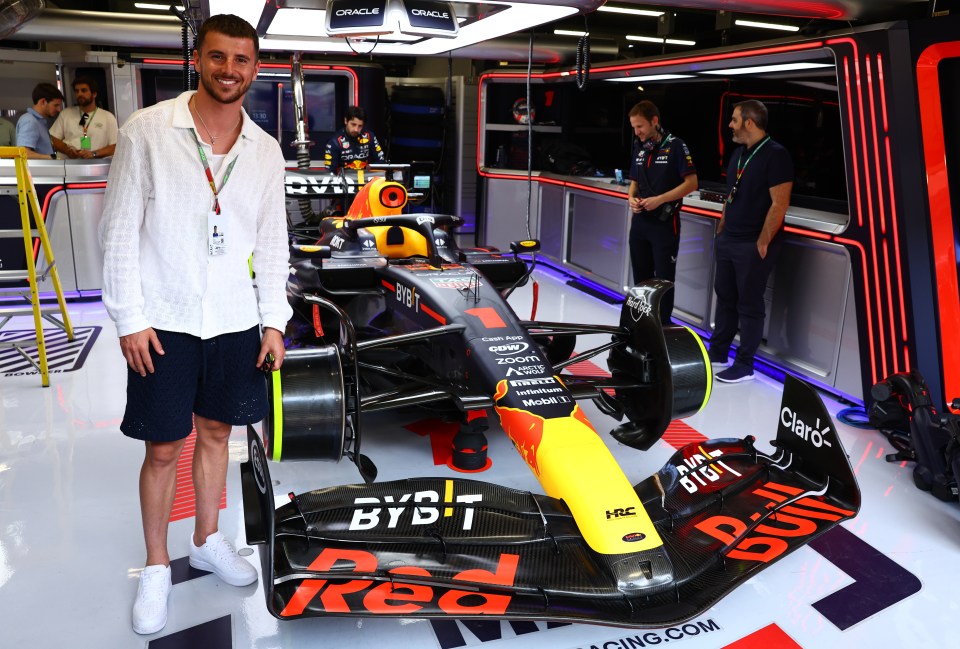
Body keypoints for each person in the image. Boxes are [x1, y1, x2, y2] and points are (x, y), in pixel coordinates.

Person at [98, 14, 291, 635]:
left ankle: (208, 538)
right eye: (218, 57)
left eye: (242, 60)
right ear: (198, 60)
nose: (229, 70)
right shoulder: (148, 131)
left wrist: (273, 321)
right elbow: (119, 233)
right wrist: (129, 318)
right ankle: (158, 563)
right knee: (162, 448)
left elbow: (273, 243)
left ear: (255, 68)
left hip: (235, 320)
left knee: (217, 434)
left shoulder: (264, 150)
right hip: (165, 320)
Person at [710, 99, 794, 383]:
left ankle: (744, 364)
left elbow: (779, 204)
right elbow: (730, 194)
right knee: (725, 298)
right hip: (729, 239)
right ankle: (718, 353)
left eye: (734, 119)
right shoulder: (738, 153)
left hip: (751, 243)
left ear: (749, 122)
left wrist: (762, 241)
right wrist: (722, 227)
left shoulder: (776, 154)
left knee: (749, 304)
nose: (730, 125)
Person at [626, 100, 698, 324]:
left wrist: (660, 200)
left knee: (664, 282)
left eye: (640, 127)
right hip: (640, 224)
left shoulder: (676, 146)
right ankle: (641, 326)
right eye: (634, 127)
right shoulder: (640, 146)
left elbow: (692, 183)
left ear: (654, 121)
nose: (637, 132)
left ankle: (662, 329)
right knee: (641, 279)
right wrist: (630, 198)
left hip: (664, 224)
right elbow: (634, 181)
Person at [49, 75, 119, 159]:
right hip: (69, 164)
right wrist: (68, 151)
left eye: (84, 90)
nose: (79, 94)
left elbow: (114, 147)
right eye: (77, 91)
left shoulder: (108, 117)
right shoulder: (66, 114)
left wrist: (93, 154)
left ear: (94, 94)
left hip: (96, 166)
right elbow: (54, 139)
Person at [324, 105, 385, 174]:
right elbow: (330, 172)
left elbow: (381, 160)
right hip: (344, 181)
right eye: (353, 124)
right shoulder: (334, 142)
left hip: (367, 179)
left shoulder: (369, 136)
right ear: (346, 121)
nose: (356, 129)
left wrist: (371, 168)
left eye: (360, 126)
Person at [15, 83, 64, 159]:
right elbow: (24, 153)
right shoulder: (30, 121)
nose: (59, 109)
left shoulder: (39, 122)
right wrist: (51, 157)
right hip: (35, 170)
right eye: (56, 105)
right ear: (43, 102)